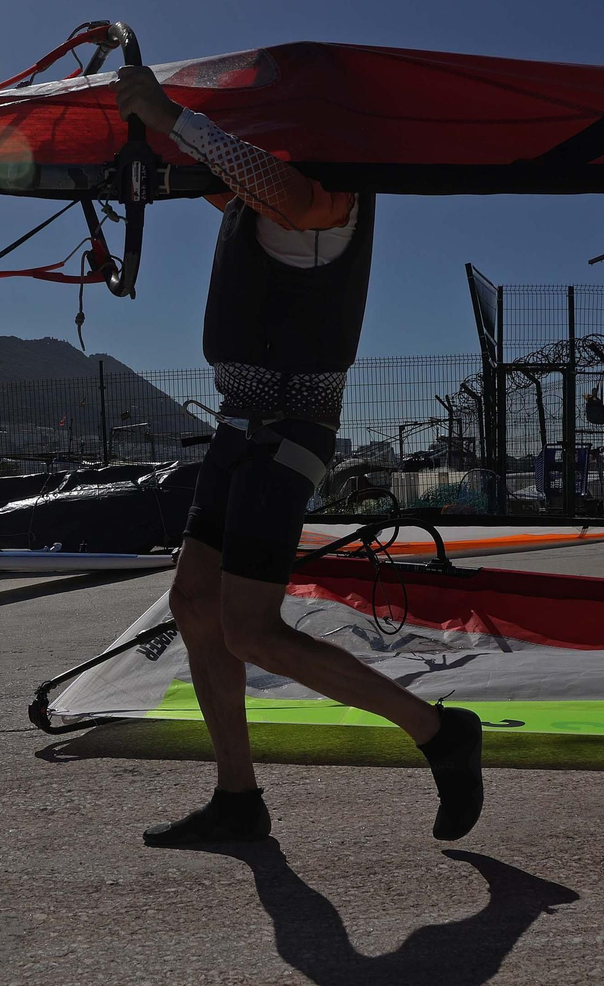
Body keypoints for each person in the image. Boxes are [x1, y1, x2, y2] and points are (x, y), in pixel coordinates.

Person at [112, 66, 485, 845]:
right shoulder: (280, 194)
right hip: (238, 426)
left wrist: (171, 115)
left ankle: (441, 734)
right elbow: (234, 184)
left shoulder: (329, 202)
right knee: (193, 604)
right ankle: (238, 799)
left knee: (249, 627)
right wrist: (152, 146)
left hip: (288, 438)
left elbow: (271, 187)